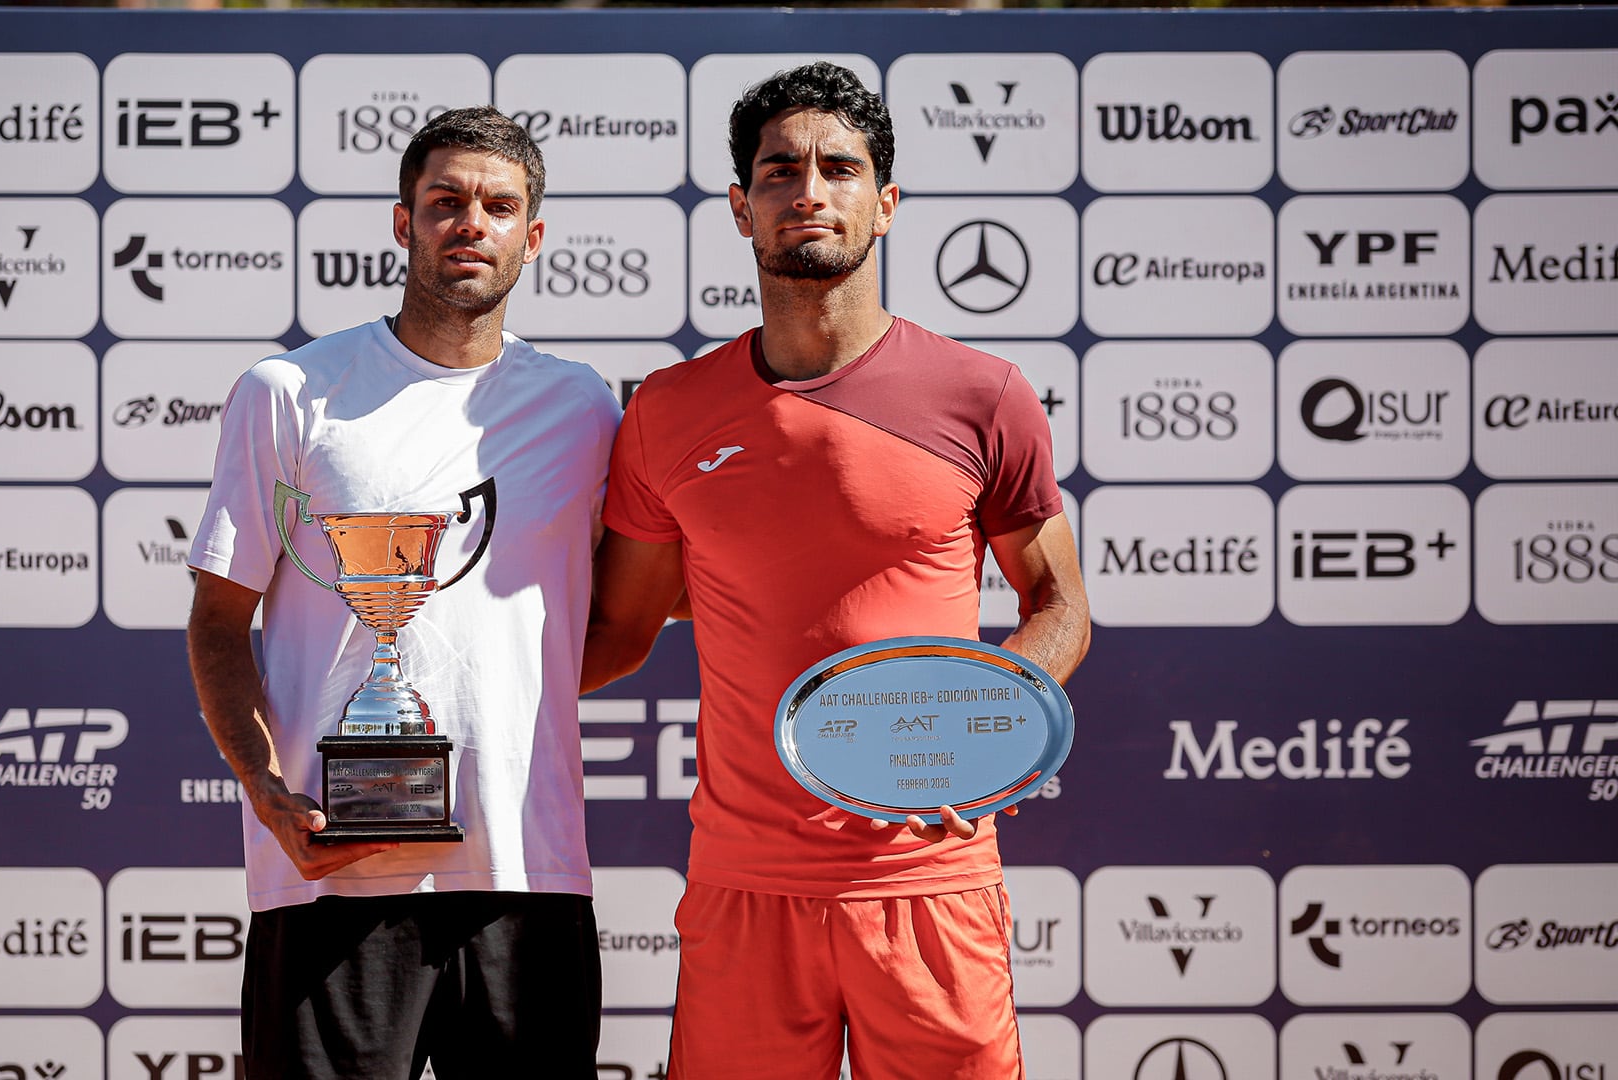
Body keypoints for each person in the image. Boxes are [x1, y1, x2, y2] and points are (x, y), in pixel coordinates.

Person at [581, 63, 1091, 1080]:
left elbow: (1060, 604)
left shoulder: (982, 395)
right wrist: (444, 694)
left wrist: (989, 736)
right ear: (742, 207)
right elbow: (620, 633)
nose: (807, 190)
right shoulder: (669, 413)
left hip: (929, 878)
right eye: (778, 171)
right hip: (745, 886)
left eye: (839, 168)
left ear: (885, 204)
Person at [186, 106, 617, 1079]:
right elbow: (219, 624)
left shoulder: (584, 406)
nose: (471, 223)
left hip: (524, 873)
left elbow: (616, 623)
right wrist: (265, 789)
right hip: (338, 875)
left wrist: (518, 701)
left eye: (499, 206)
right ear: (403, 222)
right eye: (445, 201)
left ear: (532, 236)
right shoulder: (290, 394)